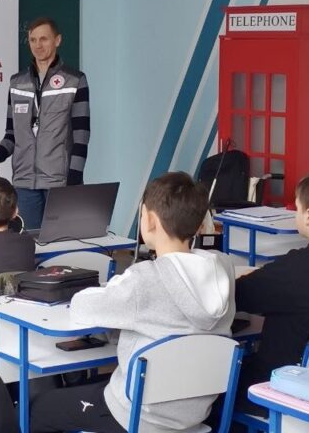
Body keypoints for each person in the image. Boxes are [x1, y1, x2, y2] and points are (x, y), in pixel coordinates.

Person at [29, 172, 235, 433]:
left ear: (148, 219)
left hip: (135, 417)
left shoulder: (143, 279)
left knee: (42, 407)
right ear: (198, 223)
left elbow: (82, 308)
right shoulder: (223, 268)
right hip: (193, 417)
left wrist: (115, 285)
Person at [234, 167, 309, 415]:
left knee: (225, 381)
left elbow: (239, 296)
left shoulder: (296, 268)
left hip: (291, 386)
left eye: (297, 208)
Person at [0, 17, 90, 230]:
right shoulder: (17, 82)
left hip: (59, 182)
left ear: (57, 40)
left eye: (44, 39)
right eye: (33, 40)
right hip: (24, 182)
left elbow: (82, 134)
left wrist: (74, 180)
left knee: (61, 245)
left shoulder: (75, 80)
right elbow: (12, 134)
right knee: (28, 244)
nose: (38, 45)